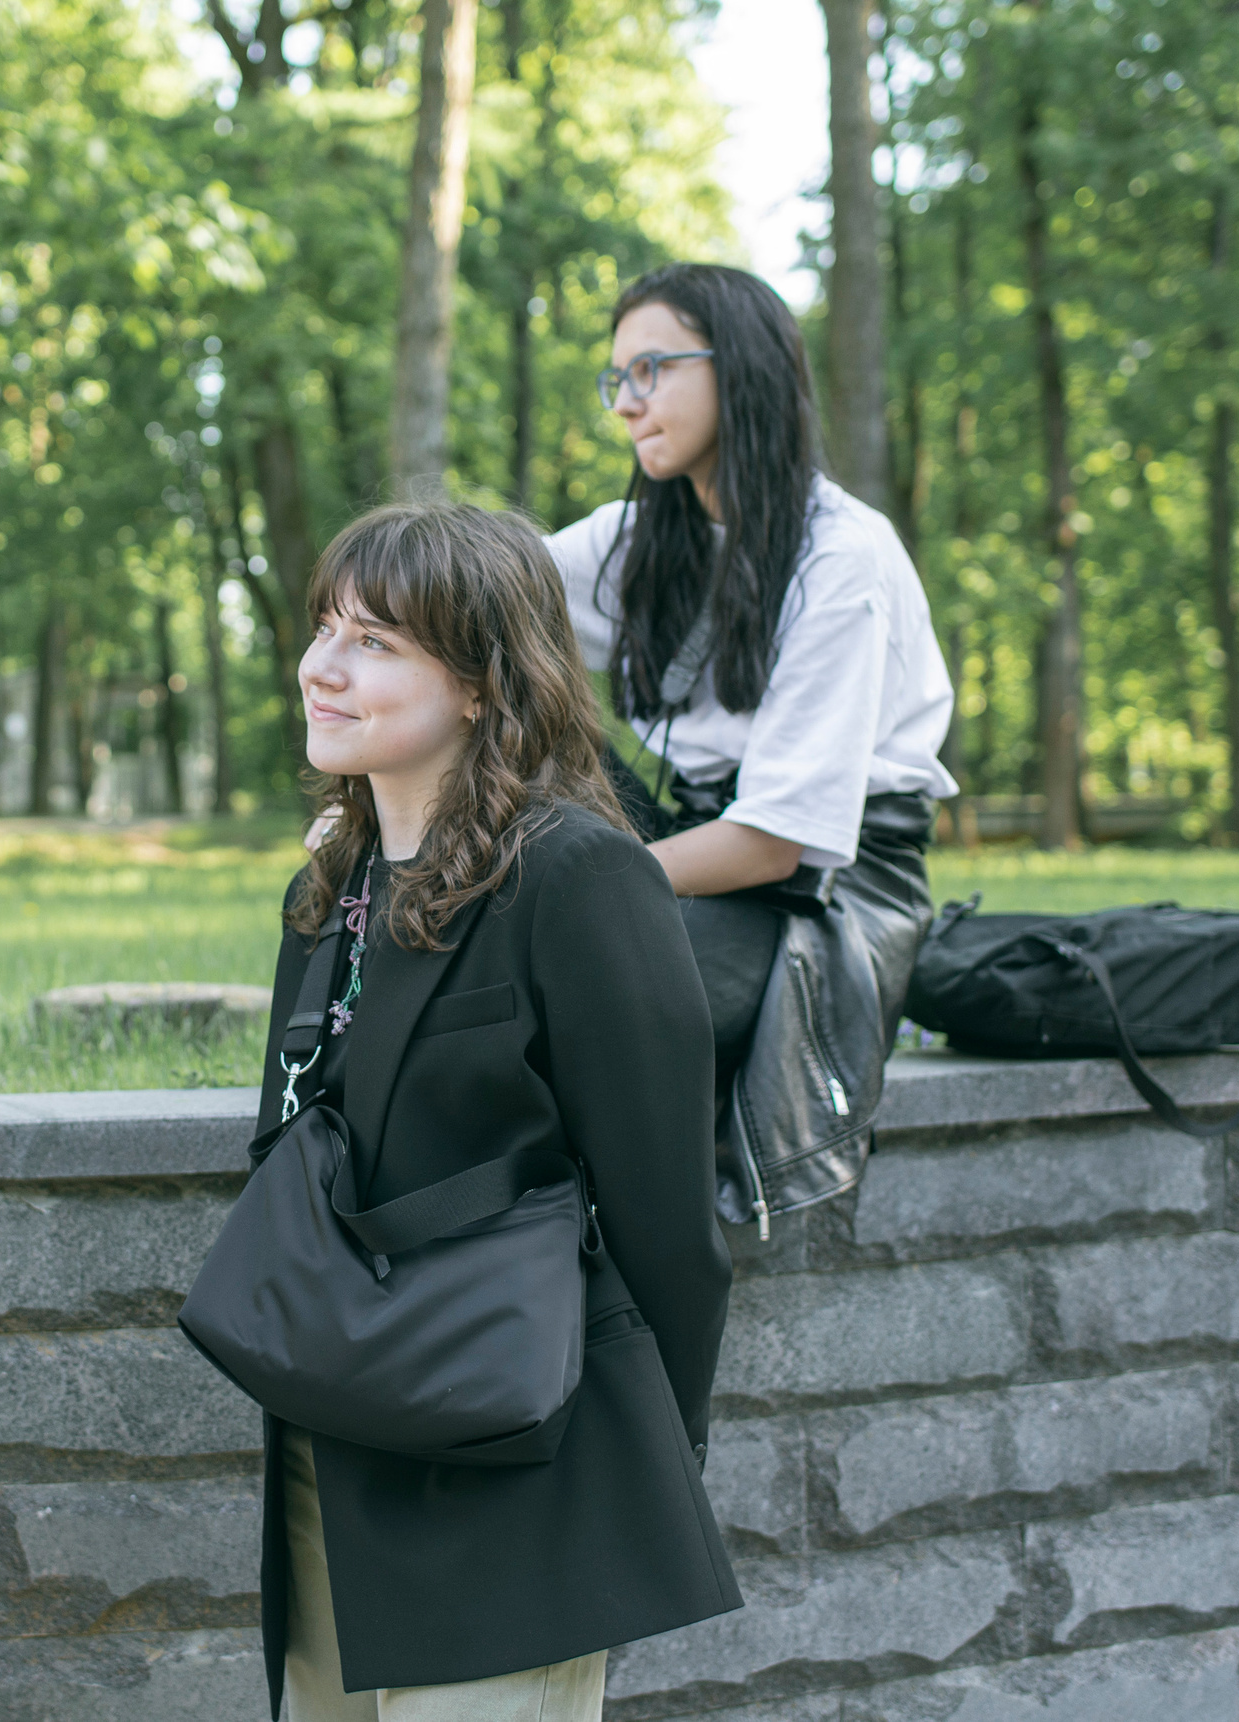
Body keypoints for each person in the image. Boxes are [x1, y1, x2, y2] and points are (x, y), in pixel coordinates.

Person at [259, 503, 738, 1721]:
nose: (323, 667)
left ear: (481, 684)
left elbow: (667, 1223)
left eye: (375, 641)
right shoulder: (331, 888)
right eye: (325, 628)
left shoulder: (581, 877)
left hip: (522, 1468)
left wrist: (650, 1457)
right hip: (330, 1456)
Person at [547, 262, 955, 1232]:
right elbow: (464, 596)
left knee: (580, 983)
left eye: (650, 370)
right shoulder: (637, 538)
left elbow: (775, 842)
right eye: (617, 379)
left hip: (826, 888)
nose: (626, 403)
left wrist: (556, 894)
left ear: (741, 368)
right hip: (692, 841)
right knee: (501, 709)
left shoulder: (842, 555)